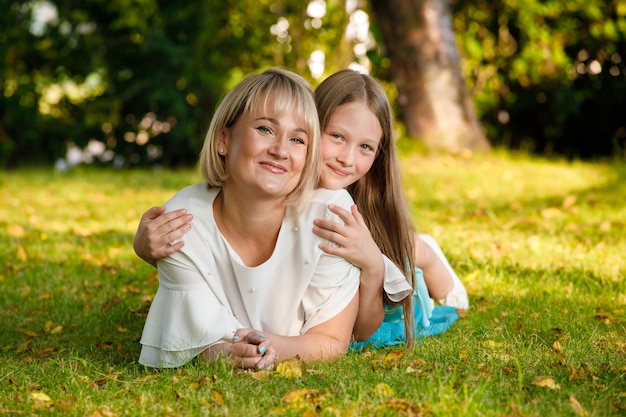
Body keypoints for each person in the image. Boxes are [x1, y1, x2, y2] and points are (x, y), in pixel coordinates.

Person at [135, 69, 468, 350]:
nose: (346, 158)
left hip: (376, 284)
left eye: (365, 147)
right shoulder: (267, 182)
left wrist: (372, 265)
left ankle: (425, 252)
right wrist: (144, 248)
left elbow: (360, 331)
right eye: (335, 136)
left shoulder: (338, 210)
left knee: (402, 249)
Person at [138, 67, 366, 370]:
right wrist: (229, 354)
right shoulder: (182, 222)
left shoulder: (330, 216)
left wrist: (271, 347)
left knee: (407, 265)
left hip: (375, 294)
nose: (280, 150)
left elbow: (332, 339)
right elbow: (192, 343)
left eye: (298, 140)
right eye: (265, 129)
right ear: (223, 139)